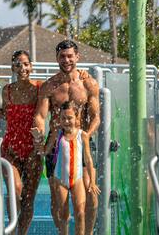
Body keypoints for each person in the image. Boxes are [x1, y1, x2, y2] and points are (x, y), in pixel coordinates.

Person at [31, 40, 100, 235]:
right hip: (56, 145)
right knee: (58, 204)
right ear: (57, 58)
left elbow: (96, 117)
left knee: (91, 198)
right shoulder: (50, 86)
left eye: (70, 56)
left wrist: (86, 134)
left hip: (80, 142)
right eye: (62, 56)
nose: (66, 60)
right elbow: (40, 116)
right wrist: (39, 132)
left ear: (77, 57)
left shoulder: (89, 83)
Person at [0, 50, 43, 235]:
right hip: (11, 148)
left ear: (31, 66)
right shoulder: (7, 90)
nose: (22, 68)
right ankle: (11, 231)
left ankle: (22, 234)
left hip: (33, 150)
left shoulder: (40, 88)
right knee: (15, 191)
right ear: (12, 68)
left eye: (25, 64)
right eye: (18, 65)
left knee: (29, 199)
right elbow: (7, 114)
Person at [44, 101, 100, 235]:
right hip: (60, 180)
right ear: (60, 119)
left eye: (69, 118)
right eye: (63, 118)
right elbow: (45, 151)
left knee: (80, 212)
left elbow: (88, 159)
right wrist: (38, 140)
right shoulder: (57, 134)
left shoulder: (83, 135)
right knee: (63, 215)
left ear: (76, 118)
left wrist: (92, 181)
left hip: (77, 180)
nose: (66, 121)